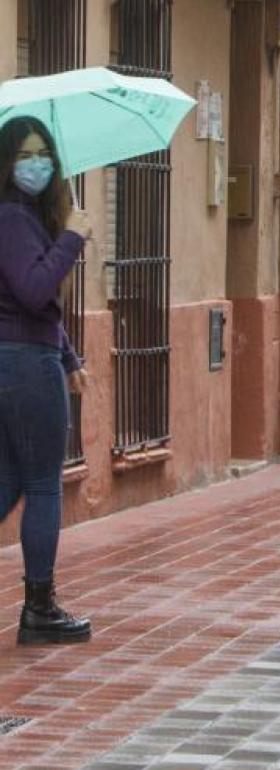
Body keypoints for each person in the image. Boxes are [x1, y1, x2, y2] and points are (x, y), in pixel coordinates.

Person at [0, 117, 93, 645]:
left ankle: (39, 605)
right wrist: (74, 238)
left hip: (28, 357)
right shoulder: (13, 217)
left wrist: (70, 356)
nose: (36, 164)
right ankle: (39, 608)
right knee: (41, 485)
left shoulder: (25, 216)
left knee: (10, 481)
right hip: (24, 367)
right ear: (7, 163)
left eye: (44, 154)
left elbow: (36, 309)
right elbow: (35, 290)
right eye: (23, 155)